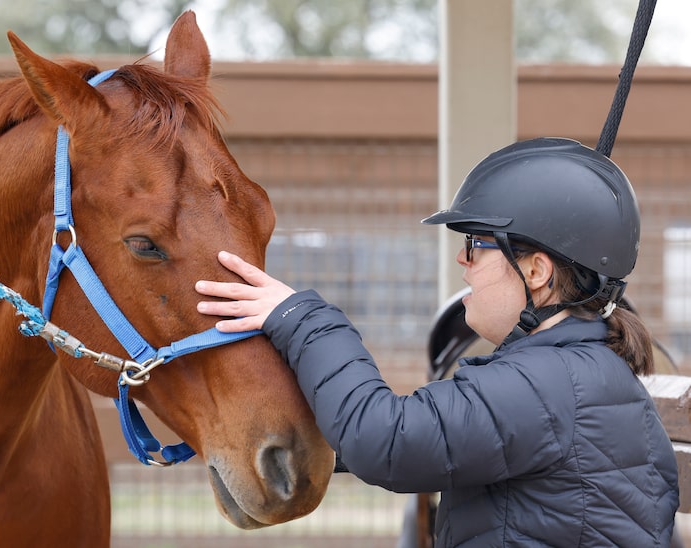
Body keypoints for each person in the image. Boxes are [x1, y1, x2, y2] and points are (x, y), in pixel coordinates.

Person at [195, 137, 679, 546]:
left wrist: (302, 318)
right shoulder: (576, 377)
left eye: (476, 245)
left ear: (536, 271)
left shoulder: (549, 386)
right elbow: (438, 439)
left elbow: (384, 439)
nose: (462, 262)